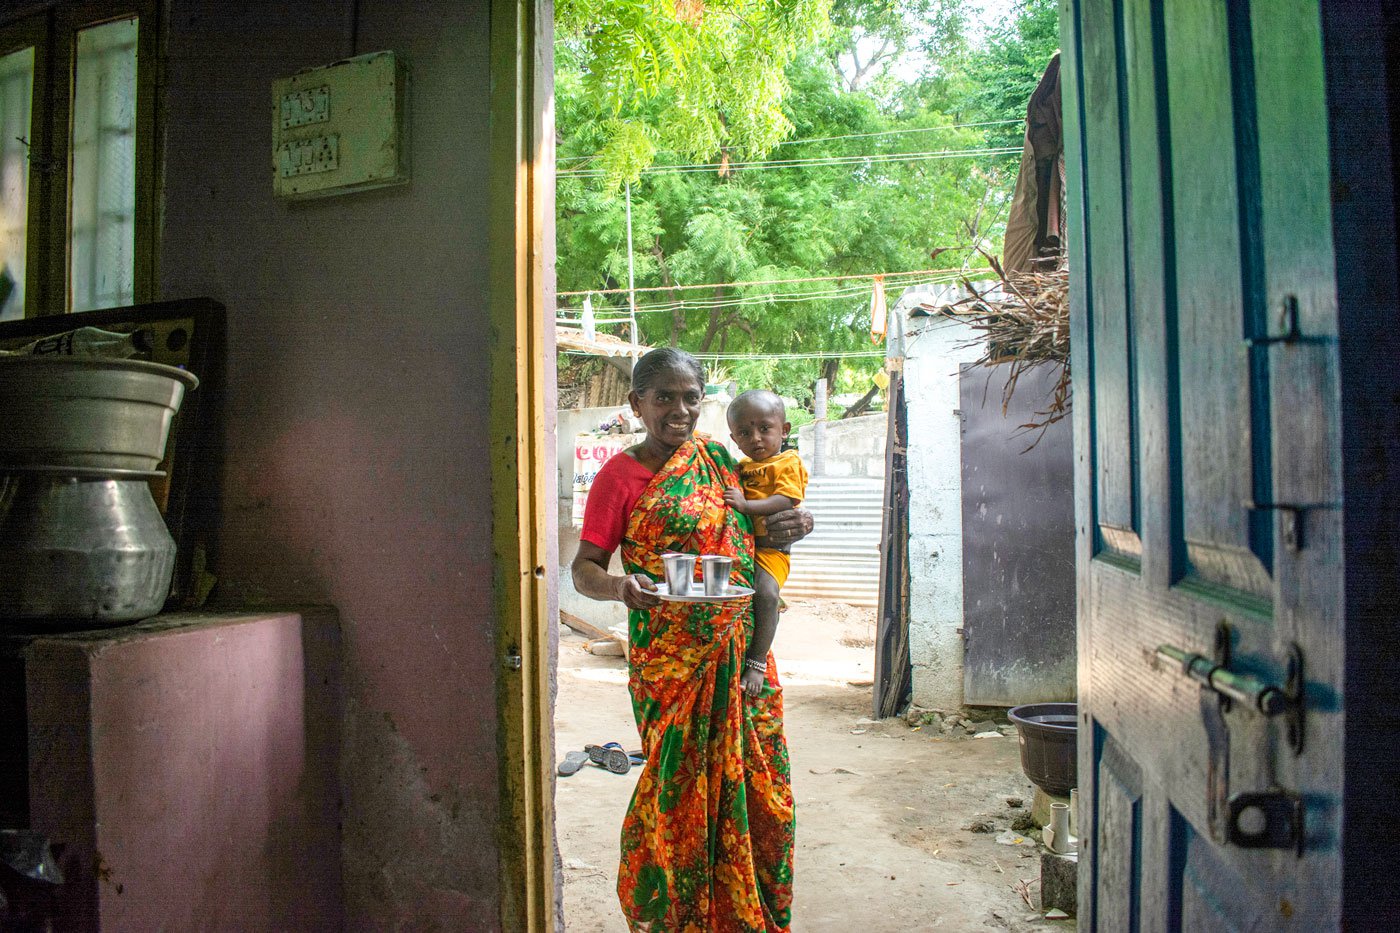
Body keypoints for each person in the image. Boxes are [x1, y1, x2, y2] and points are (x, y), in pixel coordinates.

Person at [571, 347, 813, 931]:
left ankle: (751, 916)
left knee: (763, 796)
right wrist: (621, 588)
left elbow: (766, 530)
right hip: (669, 663)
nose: (679, 411)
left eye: (689, 398)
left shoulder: (722, 464)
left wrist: (797, 523)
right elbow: (584, 569)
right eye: (663, 398)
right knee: (676, 797)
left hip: (741, 654)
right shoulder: (619, 475)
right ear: (637, 404)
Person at [722, 390, 809, 699]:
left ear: (783, 430)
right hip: (744, 551)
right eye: (745, 432)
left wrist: (745, 507)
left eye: (765, 428)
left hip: (771, 551)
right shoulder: (740, 467)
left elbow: (787, 499)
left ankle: (757, 662)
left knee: (767, 594)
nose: (756, 438)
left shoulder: (788, 462)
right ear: (734, 438)